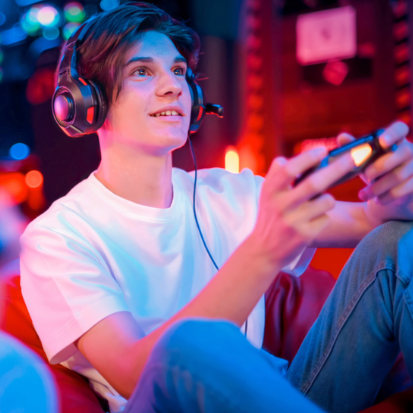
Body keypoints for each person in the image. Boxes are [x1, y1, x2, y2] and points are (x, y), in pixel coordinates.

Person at [19, 3, 413, 413]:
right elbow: (133, 372)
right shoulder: (57, 236)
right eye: (142, 71)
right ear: (85, 102)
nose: (172, 87)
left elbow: (372, 221)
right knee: (189, 343)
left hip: (285, 394)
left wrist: (399, 199)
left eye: (177, 71)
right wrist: (264, 251)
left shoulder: (230, 192)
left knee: (396, 242)